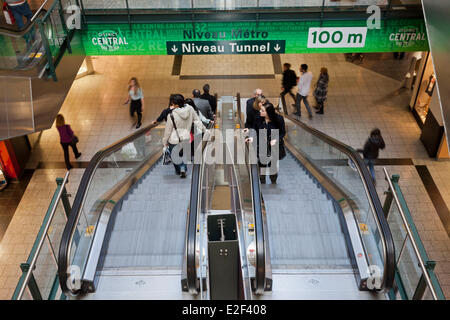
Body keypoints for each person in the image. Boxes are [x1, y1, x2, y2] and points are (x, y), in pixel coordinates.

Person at [162, 94, 205, 178]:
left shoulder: (171, 115)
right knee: (184, 155)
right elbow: (197, 121)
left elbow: (167, 131)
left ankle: (180, 169)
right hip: (186, 138)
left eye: (172, 104)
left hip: (173, 140)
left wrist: (164, 141)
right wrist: (205, 130)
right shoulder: (190, 109)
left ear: (176, 105)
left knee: (174, 156)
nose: (171, 105)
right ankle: (182, 168)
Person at [246, 103, 286, 184]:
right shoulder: (258, 118)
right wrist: (251, 137)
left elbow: (283, 132)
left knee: (273, 164)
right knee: (262, 163)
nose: (260, 111)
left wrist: (276, 139)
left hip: (274, 146)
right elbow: (254, 130)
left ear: (268, 112)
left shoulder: (279, 119)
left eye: (262, 110)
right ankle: (262, 180)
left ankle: (273, 180)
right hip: (262, 145)